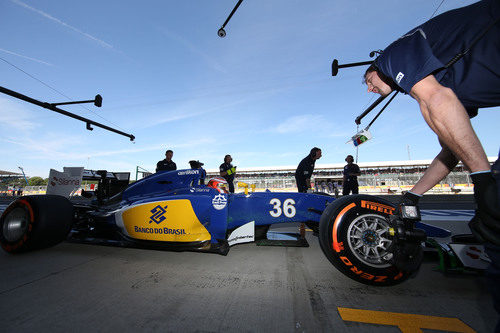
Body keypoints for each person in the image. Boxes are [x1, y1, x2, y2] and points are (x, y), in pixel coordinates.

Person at [363, 0, 500, 327]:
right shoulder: (440, 83)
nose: (369, 88)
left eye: (367, 81)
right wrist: (414, 195)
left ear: (376, 68)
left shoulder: (392, 55)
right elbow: (452, 148)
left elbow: (438, 102)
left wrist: (483, 180)